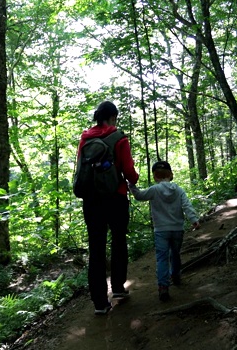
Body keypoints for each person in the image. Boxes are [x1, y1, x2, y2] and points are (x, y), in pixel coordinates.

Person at [77, 101, 139, 315]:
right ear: (112, 117)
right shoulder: (118, 137)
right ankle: (119, 288)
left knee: (96, 248)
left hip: (91, 200)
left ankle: (100, 302)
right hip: (116, 196)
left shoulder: (85, 138)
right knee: (119, 240)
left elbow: (81, 169)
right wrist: (134, 179)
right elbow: (128, 169)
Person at [128, 161, 199, 301]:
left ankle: (163, 287)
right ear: (171, 175)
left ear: (155, 176)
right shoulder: (179, 190)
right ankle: (176, 276)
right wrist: (194, 220)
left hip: (161, 230)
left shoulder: (154, 190)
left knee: (162, 258)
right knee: (175, 254)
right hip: (178, 229)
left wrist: (131, 185)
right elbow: (187, 206)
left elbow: (139, 196)